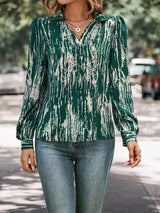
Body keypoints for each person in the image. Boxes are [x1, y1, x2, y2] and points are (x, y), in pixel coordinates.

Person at [16, 0, 142, 212]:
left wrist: (129, 133)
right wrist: (26, 139)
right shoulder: (43, 27)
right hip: (51, 142)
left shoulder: (112, 26)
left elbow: (119, 83)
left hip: (98, 142)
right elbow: (35, 84)